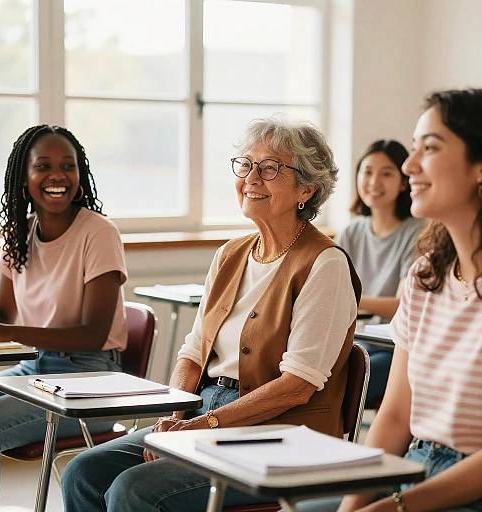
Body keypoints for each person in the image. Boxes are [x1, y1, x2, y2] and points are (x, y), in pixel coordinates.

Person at [61, 117, 361, 512]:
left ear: (307, 188)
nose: (252, 177)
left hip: (280, 432)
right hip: (205, 408)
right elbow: (193, 351)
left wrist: (202, 425)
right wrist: (175, 420)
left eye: (270, 168)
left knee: (134, 491)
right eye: (246, 164)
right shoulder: (230, 254)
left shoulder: (325, 263)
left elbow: (297, 385)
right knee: (82, 472)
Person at [296, 88, 482, 511]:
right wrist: (354, 505)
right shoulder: (426, 276)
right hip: (415, 467)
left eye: (429, 148)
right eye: (413, 148)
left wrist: (395, 507)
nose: (409, 166)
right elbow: (395, 417)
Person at [0, 125, 128, 512]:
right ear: (24, 178)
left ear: (80, 175)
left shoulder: (99, 233)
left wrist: (1, 331)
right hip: (37, 369)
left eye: (68, 166)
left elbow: (93, 335)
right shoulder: (19, 235)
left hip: (92, 379)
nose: (57, 175)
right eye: (43, 166)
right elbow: (2, 313)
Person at [337, 140, 424, 405]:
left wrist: (349, 299)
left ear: (403, 182)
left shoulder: (417, 232)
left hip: (395, 347)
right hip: (355, 341)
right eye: (367, 172)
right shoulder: (351, 231)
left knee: (353, 380)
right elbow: (327, 293)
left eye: (386, 173)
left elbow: (402, 306)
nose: (374, 181)